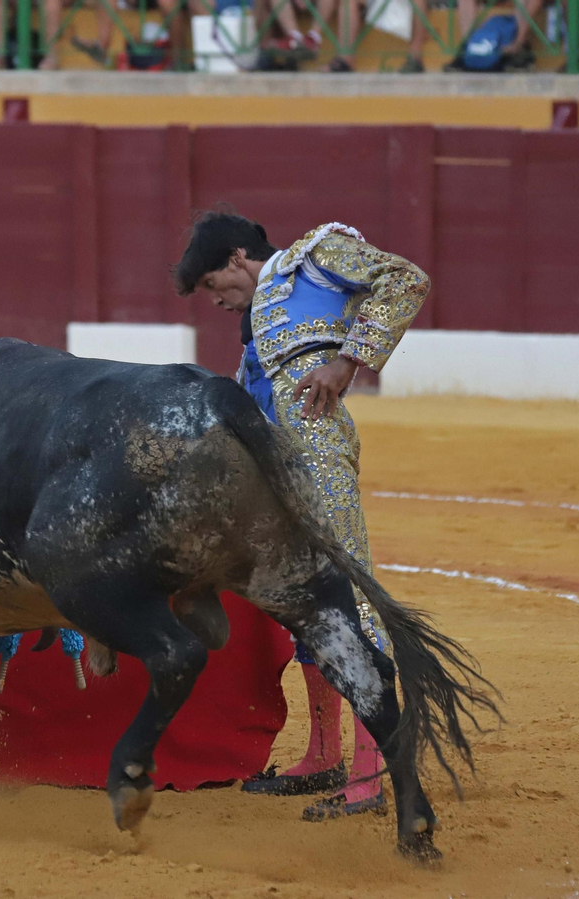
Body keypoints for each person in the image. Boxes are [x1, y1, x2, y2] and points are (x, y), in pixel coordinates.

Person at [174, 211, 429, 821]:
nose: (216, 301)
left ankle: (369, 778)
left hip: (315, 451)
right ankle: (324, 755)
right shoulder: (255, 327)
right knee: (302, 606)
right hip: (269, 467)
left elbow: (406, 279)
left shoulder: (316, 254)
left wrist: (347, 363)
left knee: (349, 595)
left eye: (214, 285)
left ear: (238, 258)